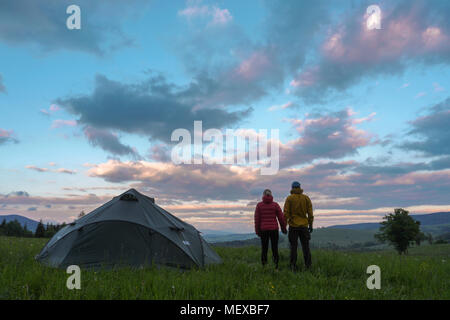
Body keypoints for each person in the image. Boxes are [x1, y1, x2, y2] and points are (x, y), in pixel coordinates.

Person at [283, 181, 313, 271]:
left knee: (293, 247)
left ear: (292, 188)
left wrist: (284, 225)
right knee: (306, 247)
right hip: (304, 226)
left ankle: (293, 266)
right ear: (300, 187)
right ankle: (308, 266)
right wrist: (310, 225)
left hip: (293, 226)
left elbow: (286, 213)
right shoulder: (306, 198)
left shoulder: (289, 198)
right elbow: (310, 214)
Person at [254, 189, 287, 269]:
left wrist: (257, 231)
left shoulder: (259, 205)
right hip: (274, 230)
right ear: (271, 195)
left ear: (263, 195)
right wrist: (283, 228)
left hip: (264, 230)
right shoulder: (275, 205)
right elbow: (281, 218)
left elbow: (257, 219)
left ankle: (264, 266)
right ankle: (276, 266)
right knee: (275, 248)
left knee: (264, 249)